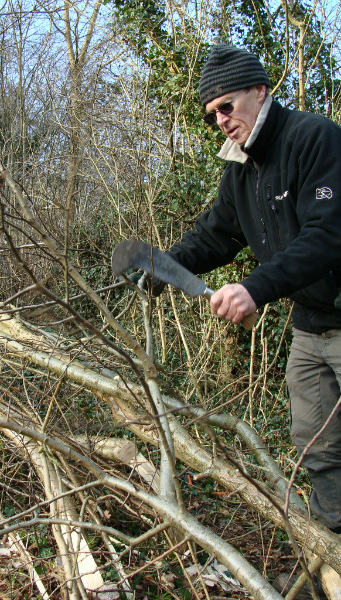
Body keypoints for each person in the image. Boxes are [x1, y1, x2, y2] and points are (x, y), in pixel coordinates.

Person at [154, 43, 341, 595]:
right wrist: (162, 267)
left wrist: (255, 287)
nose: (221, 121)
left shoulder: (315, 139)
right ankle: (331, 561)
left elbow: (328, 235)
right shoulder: (239, 170)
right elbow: (217, 233)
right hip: (310, 328)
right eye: (211, 113)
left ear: (260, 91)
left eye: (228, 106)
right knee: (319, 447)